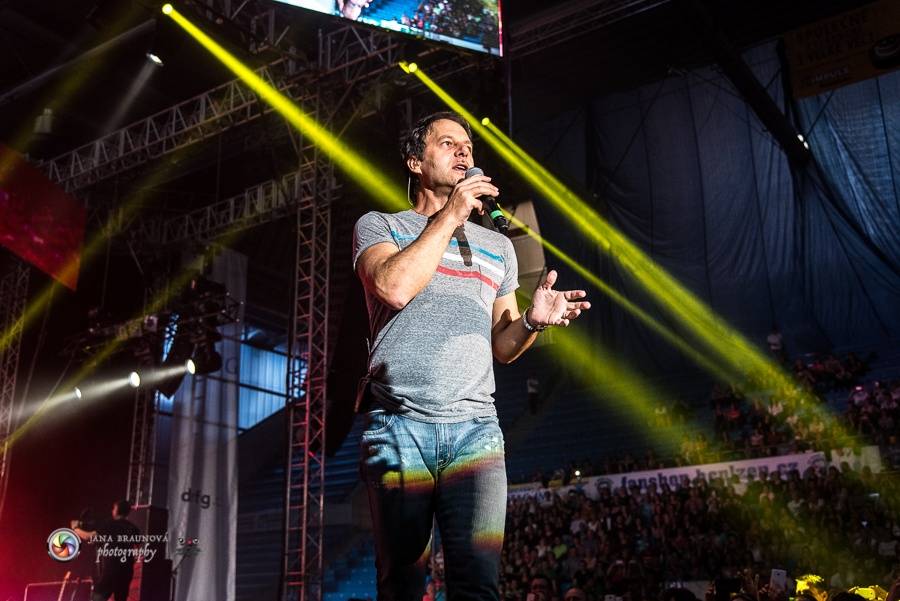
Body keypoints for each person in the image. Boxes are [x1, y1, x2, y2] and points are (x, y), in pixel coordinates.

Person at [353, 111, 590, 600]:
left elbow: (503, 346)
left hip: (476, 435)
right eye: (448, 144)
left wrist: (530, 322)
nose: (465, 152)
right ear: (415, 161)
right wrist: (451, 216)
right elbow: (393, 287)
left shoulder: (498, 247)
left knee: (478, 586)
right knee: (401, 585)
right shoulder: (380, 226)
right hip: (400, 427)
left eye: (468, 147)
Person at [70, 499, 141, 601]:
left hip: (109, 572)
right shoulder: (134, 529)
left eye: (113, 508)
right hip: (126, 573)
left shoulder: (109, 524)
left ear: (116, 510)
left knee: (98, 598)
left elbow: (89, 537)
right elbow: (138, 551)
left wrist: (75, 528)